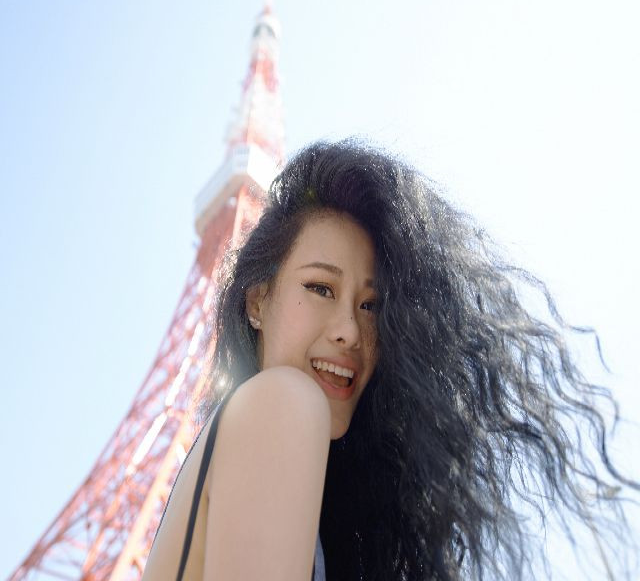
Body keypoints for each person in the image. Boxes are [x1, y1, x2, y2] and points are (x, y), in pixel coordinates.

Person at [142, 139, 637, 581]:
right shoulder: (283, 399)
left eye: (371, 307)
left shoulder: (263, 452)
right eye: (320, 288)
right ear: (257, 301)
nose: (349, 331)